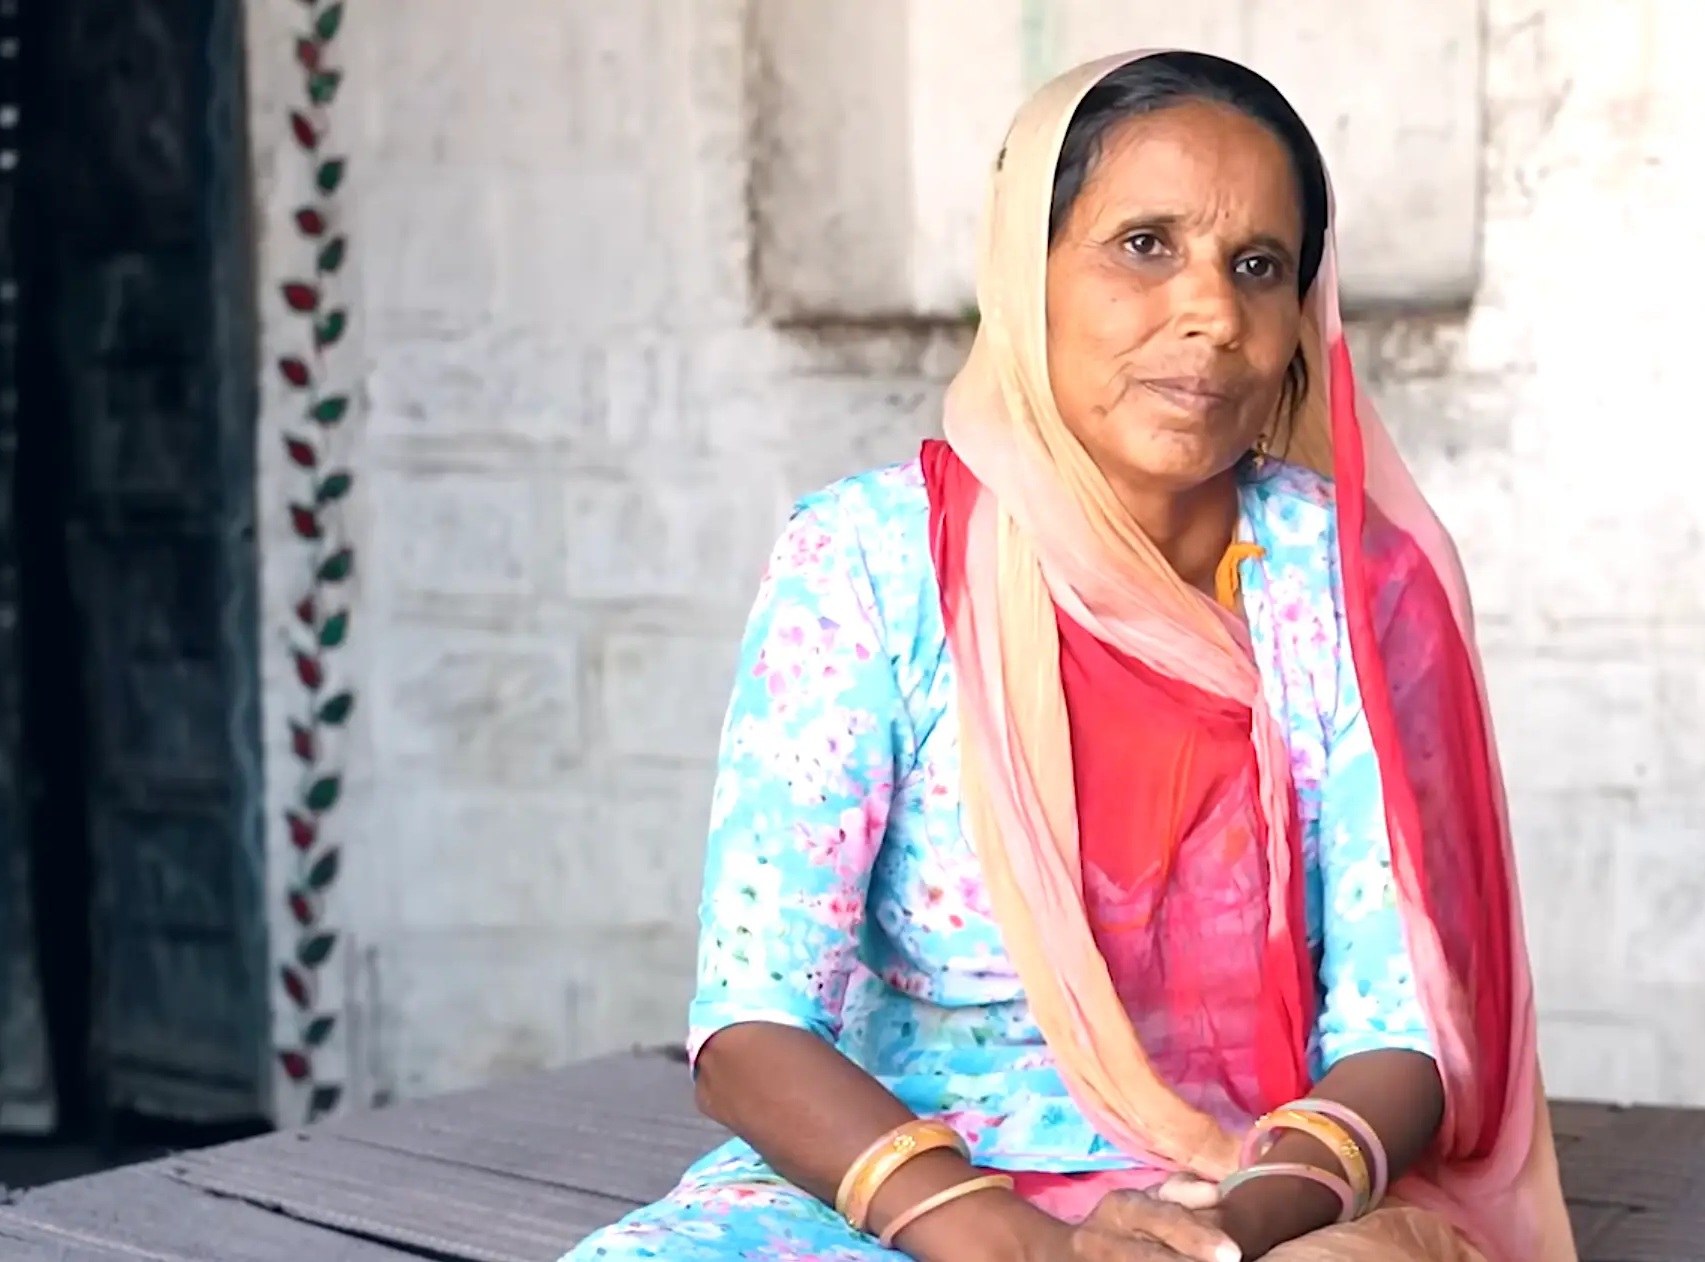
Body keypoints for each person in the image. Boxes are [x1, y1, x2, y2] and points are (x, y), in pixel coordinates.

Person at [561, 49, 1573, 1262]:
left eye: (1258, 266)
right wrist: (1013, 1242)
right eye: (1145, 243)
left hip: (1245, 1190)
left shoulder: (1344, 581)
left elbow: (1401, 1024)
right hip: (900, 1188)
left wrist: (1220, 1233)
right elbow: (749, 1027)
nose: (1209, 310)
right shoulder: (871, 564)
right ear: (1021, 276)